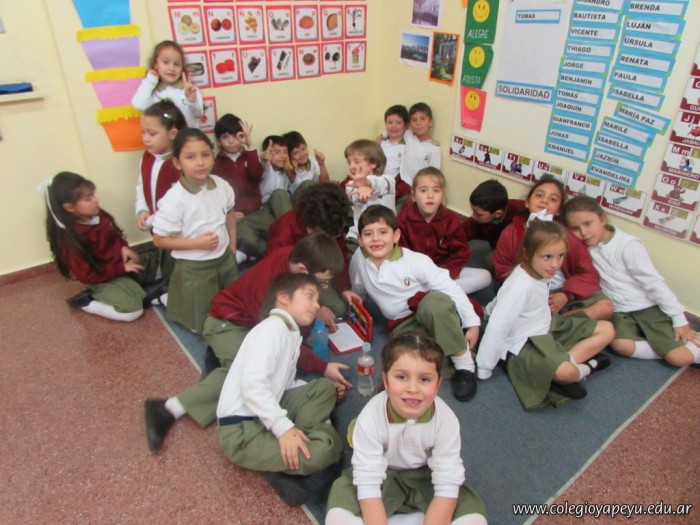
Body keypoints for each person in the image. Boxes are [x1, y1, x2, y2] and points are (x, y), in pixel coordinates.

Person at [144, 232, 352, 453]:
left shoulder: (292, 258)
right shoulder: (266, 295)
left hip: (251, 322)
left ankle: (219, 360)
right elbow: (283, 339)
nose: (323, 288)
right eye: (321, 283)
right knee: (240, 374)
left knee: (269, 369)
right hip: (227, 324)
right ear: (302, 271)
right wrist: (322, 366)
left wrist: (314, 309)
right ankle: (168, 408)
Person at [325, 333, 487, 525]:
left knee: (474, 518)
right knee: (337, 515)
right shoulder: (370, 417)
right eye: (401, 377)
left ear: (438, 385)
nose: (412, 389)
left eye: (424, 379)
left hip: (426, 477)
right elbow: (368, 482)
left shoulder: (446, 419)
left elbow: (447, 481)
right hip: (382, 475)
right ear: (386, 381)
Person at [216, 273, 344, 507]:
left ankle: (291, 448)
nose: (317, 305)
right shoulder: (272, 329)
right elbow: (253, 386)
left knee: (324, 388)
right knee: (325, 451)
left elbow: (284, 384)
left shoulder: (288, 332)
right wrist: (284, 428)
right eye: (310, 296)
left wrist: (311, 391)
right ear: (283, 297)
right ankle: (293, 451)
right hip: (242, 431)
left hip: (264, 412)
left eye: (318, 300)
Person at [348, 205, 481, 402]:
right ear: (360, 240)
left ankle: (465, 366)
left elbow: (450, 287)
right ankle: (453, 344)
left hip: (428, 311)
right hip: (401, 324)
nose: (376, 239)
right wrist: (354, 296)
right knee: (408, 360)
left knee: (435, 303)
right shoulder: (359, 258)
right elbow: (357, 284)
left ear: (396, 235)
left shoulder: (416, 261)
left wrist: (473, 322)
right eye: (368, 234)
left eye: (383, 232)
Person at [477, 220, 614, 410]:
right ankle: (588, 366)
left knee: (607, 329)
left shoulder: (537, 270)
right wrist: (484, 368)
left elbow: (499, 300)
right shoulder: (520, 287)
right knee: (568, 373)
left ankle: (553, 367)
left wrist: (488, 310)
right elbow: (498, 325)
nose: (555, 264)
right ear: (527, 254)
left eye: (561, 256)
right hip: (525, 343)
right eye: (547, 257)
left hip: (547, 326)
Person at [564, 196, 700, 368]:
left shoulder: (628, 245)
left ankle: (690, 349)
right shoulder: (583, 248)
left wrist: (679, 320)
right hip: (620, 311)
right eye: (576, 228)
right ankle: (667, 349)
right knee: (620, 346)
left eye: (588, 224)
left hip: (647, 307)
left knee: (679, 359)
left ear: (603, 218)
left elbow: (654, 284)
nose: (584, 233)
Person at [42, 172, 162, 322]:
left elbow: (115, 234)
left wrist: (123, 247)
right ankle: (88, 302)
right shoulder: (69, 240)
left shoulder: (98, 215)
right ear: (69, 207)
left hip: (121, 266)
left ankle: (132, 286)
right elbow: (87, 275)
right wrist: (121, 269)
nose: (96, 200)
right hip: (102, 277)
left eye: (93, 194)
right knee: (132, 311)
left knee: (168, 262)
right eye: (88, 199)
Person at [152, 128, 238, 333]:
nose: (200, 162)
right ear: (177, 163)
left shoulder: (221, 185)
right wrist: (196, 244)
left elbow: (230, 212)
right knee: (200, 322)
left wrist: (232, 246)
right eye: (190, 157)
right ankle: (167, 298)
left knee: (232, 305)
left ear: (213, 156)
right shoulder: (174, 199)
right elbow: (159, 239)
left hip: (224, 258)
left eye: (205, 155)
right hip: (195, 265)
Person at [493, 175, 613, 320]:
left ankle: (555, 322)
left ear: (559, 211)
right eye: (539, 195)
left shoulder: (567, 236)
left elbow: (587, 273)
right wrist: (533, 287)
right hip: (530, 290)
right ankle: (550, 323)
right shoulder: (511, 232)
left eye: (553, 199)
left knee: (605, 307)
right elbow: (502, 270)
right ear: (527, 202)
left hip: (564, 291)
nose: (544, 201)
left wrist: (566, 295)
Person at [266, 182, 353, 321]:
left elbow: (341, 257)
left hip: (317, 272)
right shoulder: (283, 236)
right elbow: (280, 280)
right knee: (335, 308)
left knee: (341, 307)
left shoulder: (332, 225)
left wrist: (344, 288)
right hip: (294, 279)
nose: (333, 238)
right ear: (311, 227)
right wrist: (317, 305)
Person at [398, 167, 492, 295]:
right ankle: (435, 293)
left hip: (442, 271)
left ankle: (431, 293)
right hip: (414, 275)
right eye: (423, 190)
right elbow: (399, 254)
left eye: (436, 190)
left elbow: (461, 253)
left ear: (443, 195)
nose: (430, 196)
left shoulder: (451, 220)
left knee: (485, 277)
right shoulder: (403, 219)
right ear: (413, 195)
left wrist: (446, 273)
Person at [135, 101, 187, 287]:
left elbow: (175, 202)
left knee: (178, 266)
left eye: (152, 134)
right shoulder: (147, 157)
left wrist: (152, 220)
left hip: (179, 231)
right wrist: (142, 210)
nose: (145, 139)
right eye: (143, 132)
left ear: (172, 133)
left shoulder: (179, 164)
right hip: (158, 225)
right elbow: (141, 186)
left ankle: (174, 287)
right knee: (165, 256)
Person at [213, 113, 270, 262]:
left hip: (258, 210)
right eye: (225, 137)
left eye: (235, 136)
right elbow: (215, 194)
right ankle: (253, 253)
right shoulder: (216, 163)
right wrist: (228, 214)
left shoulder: (248, 155)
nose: (231, 141)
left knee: (278, 232)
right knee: (249, 245)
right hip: (238, 216)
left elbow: (256, 174)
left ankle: (260, 252)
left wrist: (250, 144)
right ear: (219, 141)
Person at [131, 40, 203, 128]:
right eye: (166, 62)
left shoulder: (189, 90)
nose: (171, 68)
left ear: (182, 68)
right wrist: (150, 81)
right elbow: (139, 105)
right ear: (155, 64)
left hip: (187, 135)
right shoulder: (153, 92)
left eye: (176, 64)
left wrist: (192, 100)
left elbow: (198, 113)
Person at [341, 139, 395, 252]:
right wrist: (361, 192)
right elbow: (356, 197)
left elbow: (380, 184)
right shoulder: (350, 185)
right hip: (358, 236)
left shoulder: (388, 180)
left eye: (356, 161)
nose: (352, 166)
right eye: (349, 162)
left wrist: (367, 182)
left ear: (373, 163)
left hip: (385, 237)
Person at [397, 102, 441, 206]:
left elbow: (434, 175)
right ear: (409, 124)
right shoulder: (408, 135)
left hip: (418, 190)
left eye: (422, 119)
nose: (418, 123)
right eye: (414, 120)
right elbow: (394, 128)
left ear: (430, 122)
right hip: (402, 183)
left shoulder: (434, 149)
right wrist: (381, 136)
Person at [284, 130, 330, 202]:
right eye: (296, 153)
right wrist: (292, 174)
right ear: (289, 156)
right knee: (308, 184)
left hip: (314, 199)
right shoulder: (288, 168)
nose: (302, 154)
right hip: (296, 202)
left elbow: (325, 184)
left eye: (303, 149)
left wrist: (321, 164)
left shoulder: (313, 160)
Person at [259, 135, 294, 219]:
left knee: (307, 185)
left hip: (285, 206)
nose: (283, 156)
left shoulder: (287, 169)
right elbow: (263, 163)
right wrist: (263, 158)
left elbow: (295, 188)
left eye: (285, 152)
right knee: (279, 193)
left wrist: (291, 174)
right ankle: (291, 226)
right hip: (267, 207)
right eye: (277, 152)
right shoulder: (267, 169)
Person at [377, 104, 409, 187]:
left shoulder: (407, 146)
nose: (393, 126)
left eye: (398, 123)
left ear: (406, 125)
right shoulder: (381, 144)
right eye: (390, 122)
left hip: (395, 185)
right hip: (376, 182)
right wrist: (382, 135)